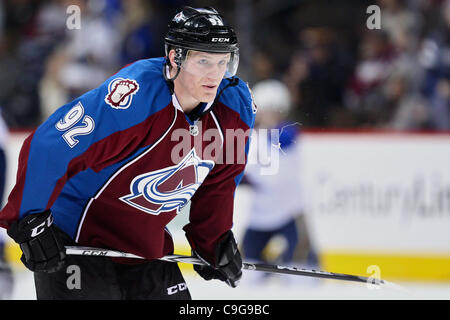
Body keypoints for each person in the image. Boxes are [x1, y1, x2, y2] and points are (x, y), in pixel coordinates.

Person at [0, 6, 255, 300]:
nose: (215, 75)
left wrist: (214, 240)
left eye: (223, 62)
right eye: (204, 61)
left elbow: (221, 183)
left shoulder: (234, 109)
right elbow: (49, 146)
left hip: (145, 249)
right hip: (78, 242)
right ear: (175, 58)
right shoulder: (135, 98)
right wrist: (30, 220)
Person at [241, 79, 319, 283]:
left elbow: (279, 148)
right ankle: (268, 268)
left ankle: (285, 263)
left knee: (302, 276)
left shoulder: (287, 133)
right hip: (260, 214)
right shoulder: (254, 136)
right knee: (247, 275)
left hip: (290, 214)